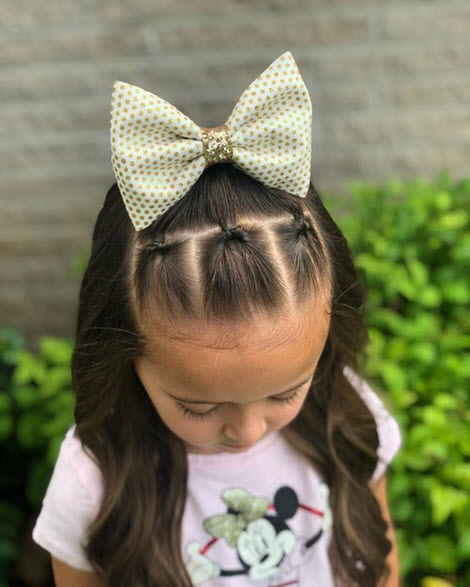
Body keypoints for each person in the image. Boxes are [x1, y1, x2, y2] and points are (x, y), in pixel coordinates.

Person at [31, 51, 402, 587]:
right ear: (122, 354)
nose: (246, 431)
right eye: (198, 406)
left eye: (285, 393)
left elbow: (380, 559)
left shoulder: (347, 417)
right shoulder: (94, 482)